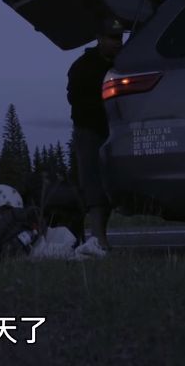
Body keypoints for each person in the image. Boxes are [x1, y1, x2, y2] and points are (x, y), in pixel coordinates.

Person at [66, 18, 124, 258]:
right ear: (100, 38)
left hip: (115, 131)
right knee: (93, 183)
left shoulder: (123, 62)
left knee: (109, 184)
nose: (117, 42)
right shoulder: (83, 66)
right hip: (89, 131)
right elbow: (75, 100)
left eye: (119, 37)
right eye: (112, 38)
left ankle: (101, 237)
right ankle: (98, 238)